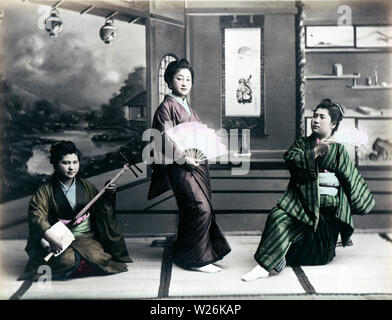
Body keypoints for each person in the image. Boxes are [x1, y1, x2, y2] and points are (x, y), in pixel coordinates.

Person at [242, 98, 375, 281]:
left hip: (327, 209)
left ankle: (282, 255)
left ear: (333, 124)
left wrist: (362, 199)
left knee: (320, 258)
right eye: (314, 116)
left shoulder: (339, 150)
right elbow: (291, 159)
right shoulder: (303, 144)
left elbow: (351, 179)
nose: (315, 120)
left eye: (322, 117)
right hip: (302, 201)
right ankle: (264, 267)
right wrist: (315, 151)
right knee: (277, 217)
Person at [148, 58, 231, 273]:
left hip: (198, 165)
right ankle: (196, 259)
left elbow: (199, 136)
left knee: (198, 209)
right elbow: (164, 138)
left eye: (188, 79)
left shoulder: (188, 107)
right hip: (180, 166)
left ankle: (188, 253)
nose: (184, 83)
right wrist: (184, 157)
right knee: (198, 208)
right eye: (179, 78)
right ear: (169, 80)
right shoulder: (165, 108)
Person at [19, 141, 131, 281]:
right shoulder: (45, 190)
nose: (71, 167)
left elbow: (100, 209)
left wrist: (108, 194)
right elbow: (37, 215)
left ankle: (79, 265)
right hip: (57, 238)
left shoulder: (85, 186)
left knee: (99, 257)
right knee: (67, 261)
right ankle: (79, 265)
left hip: (84, 236)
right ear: (55, 164)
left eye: (75, 162)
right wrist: (50, 237)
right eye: (66, 163)